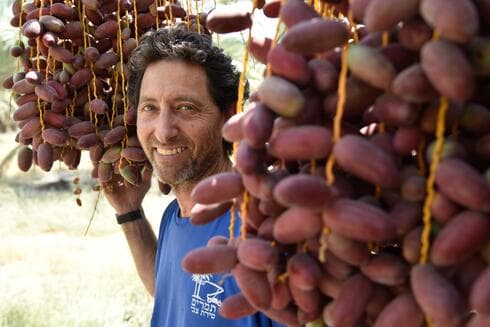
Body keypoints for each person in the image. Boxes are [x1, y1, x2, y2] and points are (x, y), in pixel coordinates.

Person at [101, 27, 283, 327]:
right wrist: (129, 214)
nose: (163, 131)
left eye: (185, 108)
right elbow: (173, 296)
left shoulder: (261, 225)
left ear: (230, 115)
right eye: (150, 108)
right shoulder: (175, 215)